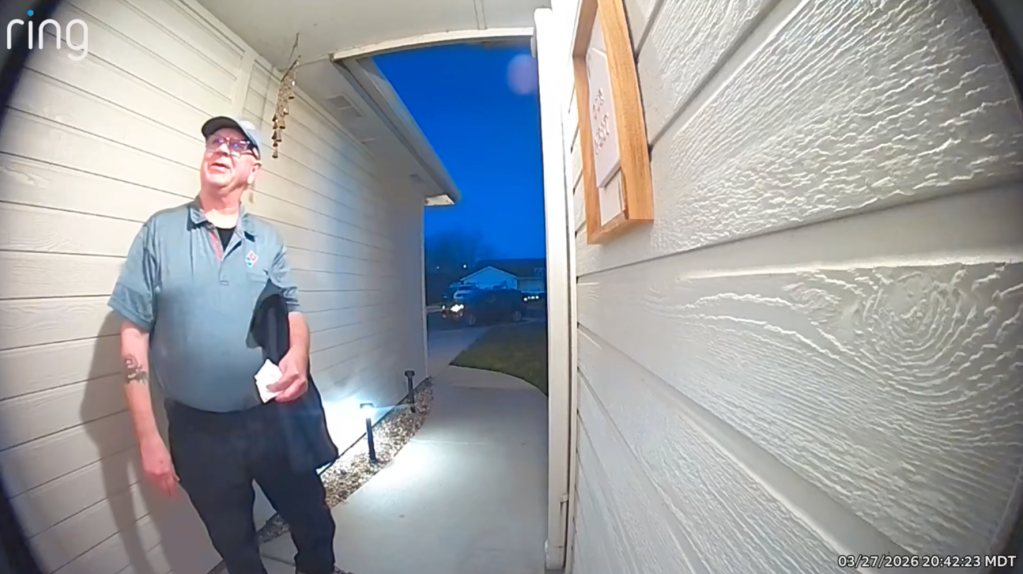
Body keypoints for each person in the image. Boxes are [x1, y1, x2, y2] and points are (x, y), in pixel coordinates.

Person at [108, 116, 343, 574]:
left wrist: (298, 355)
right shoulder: (160, 232)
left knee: (315, 523)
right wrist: (148, 436)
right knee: (235, 547)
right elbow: (133, 331)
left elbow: (293, 309)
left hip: (271, 417)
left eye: (238, 146)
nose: (221, 149)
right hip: (200, 433)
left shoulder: (267, 239)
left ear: (253, 170)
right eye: (216, 141)